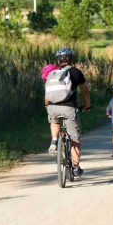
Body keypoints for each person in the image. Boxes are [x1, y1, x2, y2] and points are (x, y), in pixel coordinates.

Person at [44, 47, 91, 177]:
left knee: (54, 120)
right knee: (75, 139)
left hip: (52, 107)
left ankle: (54, 140)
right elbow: (85, 91)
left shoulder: (52, 73)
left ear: (58, 60)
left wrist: (47, 105)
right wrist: (87, 105)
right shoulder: (75, 72)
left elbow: (47, 93)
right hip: (69, 108)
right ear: (71, 59)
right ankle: (76, 168)